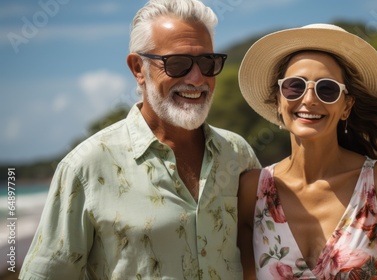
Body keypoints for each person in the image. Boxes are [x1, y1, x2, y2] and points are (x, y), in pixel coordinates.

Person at [19, 0, 260, 279]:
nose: (197, 78)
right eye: (178, 63)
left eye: (208, 63)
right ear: (137, 68)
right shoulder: (85, 167)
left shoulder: (238, 154)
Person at [237, 24, 377, 279]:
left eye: (327, 89)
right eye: (295, 86)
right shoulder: (252, 191)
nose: (310, 99)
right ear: (278, 101)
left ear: (346, 106)